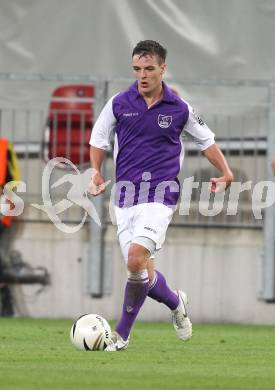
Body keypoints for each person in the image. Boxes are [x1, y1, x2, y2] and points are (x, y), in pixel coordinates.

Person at [89, 40, 234, 351]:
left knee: (134, 259)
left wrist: (226, 171)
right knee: (140, 271)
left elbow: (206, 141)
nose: (142, 75)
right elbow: (98, 140)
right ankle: (176, 302)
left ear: (162, 69)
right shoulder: (118, 103)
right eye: (137, 69)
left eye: (149, 69)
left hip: (160, 195)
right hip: (125, 198)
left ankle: (121, 335)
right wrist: (96, 171)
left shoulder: (180, 108)